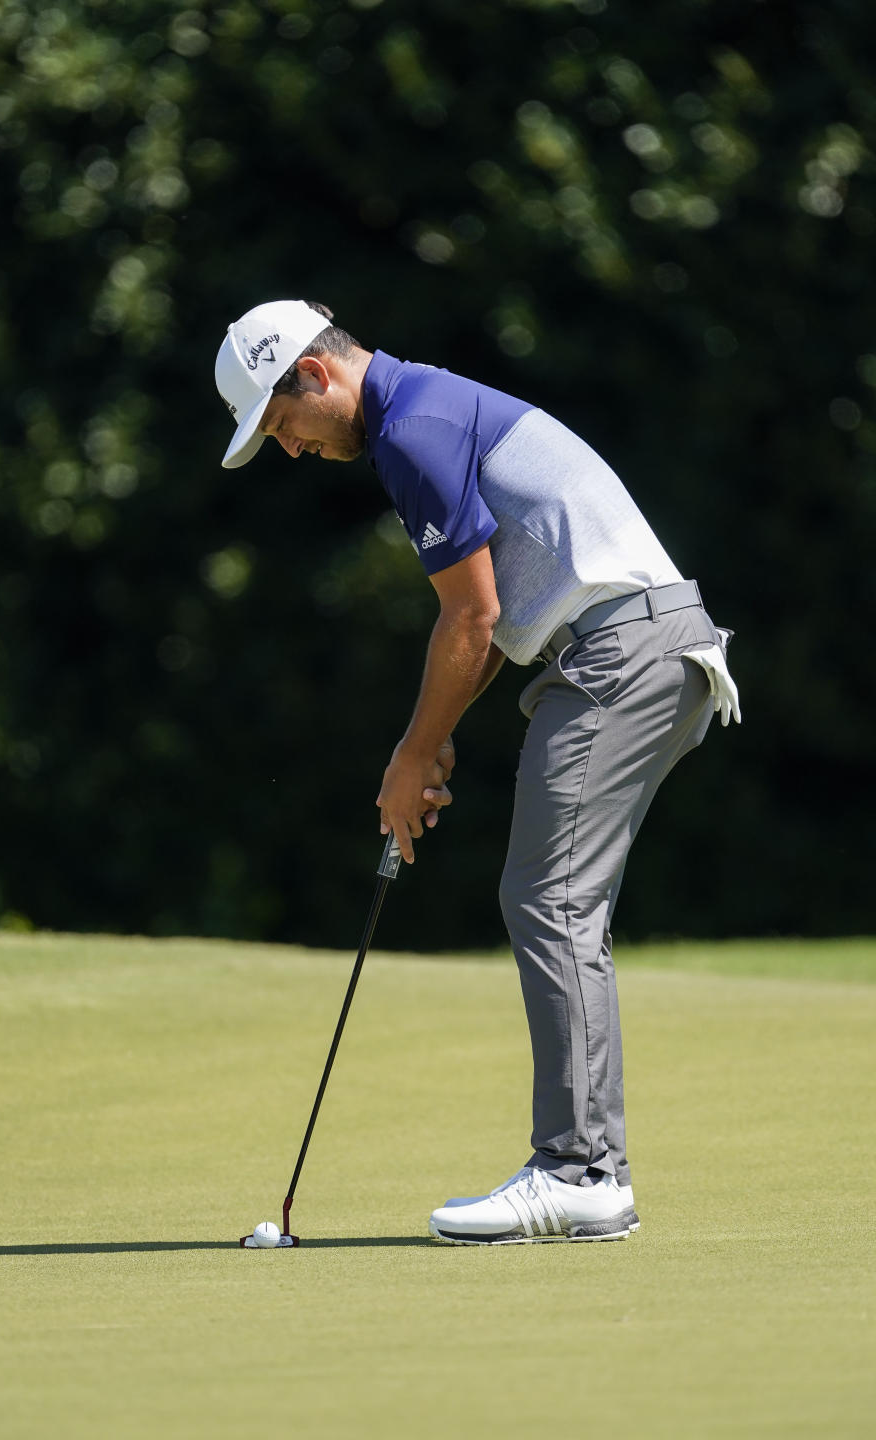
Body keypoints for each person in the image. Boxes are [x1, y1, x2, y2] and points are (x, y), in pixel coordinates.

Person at [213, 298, 741, 1245]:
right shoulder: (426, 410)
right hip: (639, 647)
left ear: (317, 376)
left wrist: (413, 754)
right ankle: (585, 1167)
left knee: (549, 901)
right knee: (552, 898)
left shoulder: (413, 432)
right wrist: (439, 727)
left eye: (282, 425)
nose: (289, 450)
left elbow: (470, 617)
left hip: (622, 655)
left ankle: (581, 1173)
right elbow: (492, 613)